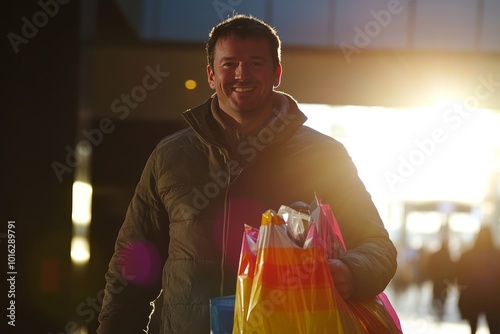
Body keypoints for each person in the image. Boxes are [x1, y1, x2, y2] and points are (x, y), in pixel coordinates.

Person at [97, 14, 398, 333]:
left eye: (256, 63)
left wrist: (350, 272)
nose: (242, 74)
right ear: (211, 75)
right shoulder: (170, 156)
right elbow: (130, 270)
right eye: (229, 64)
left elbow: (377, 246)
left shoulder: (324, 156)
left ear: (277, 73)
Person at [456, 226, 500, 334]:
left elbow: (460, 275)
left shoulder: (468, 255)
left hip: (475, 295)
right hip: (492, 297)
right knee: (493, 325)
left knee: (474, 325)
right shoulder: (497, 254)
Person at [426, 237, 455, 320]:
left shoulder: (436, 254)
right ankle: (440, 308)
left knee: (437, 293)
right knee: (443, 295)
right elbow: (452, 268)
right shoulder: (448, 255)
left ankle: (438, 308)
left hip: (437, 279)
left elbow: (430, 266)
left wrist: (431, 274)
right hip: (444, 280)